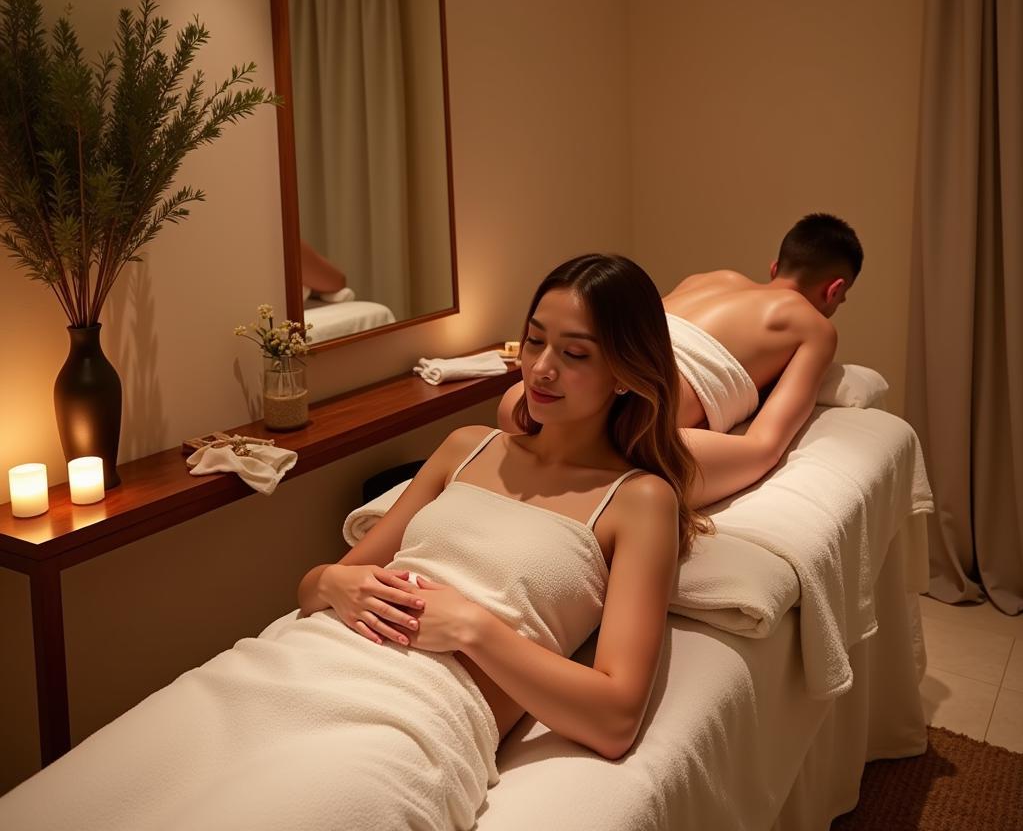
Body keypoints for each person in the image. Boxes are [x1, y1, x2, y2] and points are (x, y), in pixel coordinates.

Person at [0, 254, 703, 831]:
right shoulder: (467, 446)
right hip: (291, 666)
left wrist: (474, 628)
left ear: (624, 374)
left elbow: (615, 717)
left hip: (409, 717)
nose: (542, 367)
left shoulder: (639, 500)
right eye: (537, 339)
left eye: (575, 353)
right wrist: (334, 583)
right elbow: (315, 586)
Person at [499, 213, 863, 507]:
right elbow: (767, 441)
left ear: (774, 267)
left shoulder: (710, 278)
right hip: (633, 425)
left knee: (511, 407)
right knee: (744, 454)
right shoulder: (813, 326)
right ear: (835, 289)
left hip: (580, 401)